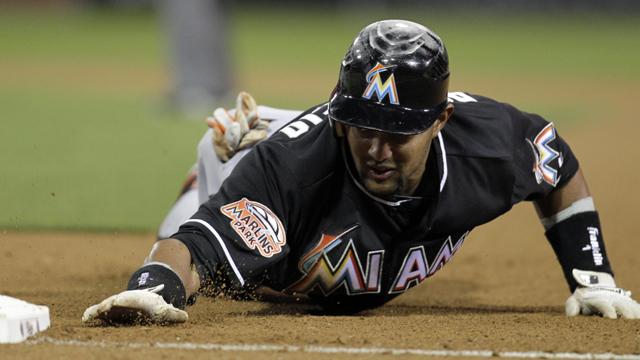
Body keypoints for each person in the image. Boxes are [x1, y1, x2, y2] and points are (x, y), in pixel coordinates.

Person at [83, 20, 640, 324]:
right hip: (259, 177)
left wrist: (591, 276)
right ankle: (227, 149)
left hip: (305, 157)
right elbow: (196, 246)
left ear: (441, 121)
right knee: (219, 257)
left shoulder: (489, 146)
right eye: (362, 126)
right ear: (339, 114)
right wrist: (152, 289)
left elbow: (557, 161)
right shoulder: (292, 173)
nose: (377, 148)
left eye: (398, 133)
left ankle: (265, 122)